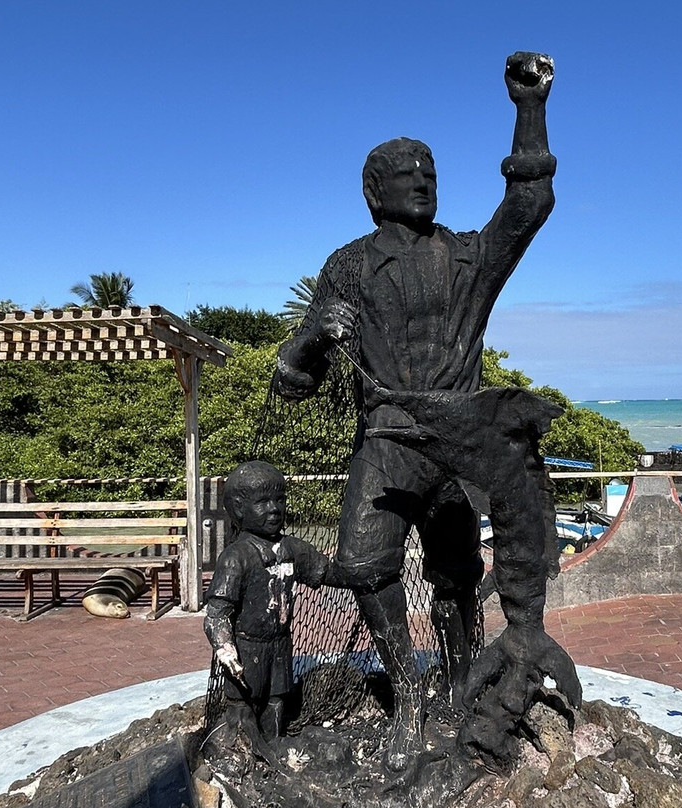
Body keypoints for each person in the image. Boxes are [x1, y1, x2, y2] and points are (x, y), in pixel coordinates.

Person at [274, 52, 556, 768]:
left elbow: (527, 207)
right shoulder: (347, 266)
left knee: (458, 576)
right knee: (366, 566)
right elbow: (291, 383)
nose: (423, 183)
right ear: (374, 193)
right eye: (407, 176)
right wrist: (310, 337)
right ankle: (406, 690)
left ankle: (462, 684)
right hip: (390, 438)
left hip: (461, 441)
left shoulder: (467, 258)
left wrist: (528, 108)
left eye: (429, 173)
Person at [203, 461, 339, 757]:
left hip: (279, 641)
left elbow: (326, 572)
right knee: (243, 702)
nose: (274, 509)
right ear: (239, 509)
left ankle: (274, 742)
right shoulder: (236, 557)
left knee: (277, 697)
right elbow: (217, 613)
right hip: (248, 644)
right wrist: (226, 650)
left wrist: (361, 572)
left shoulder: (292, 548)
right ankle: (241, 747)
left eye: (279, 500)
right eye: (263, 502)